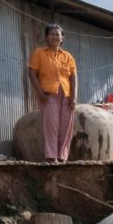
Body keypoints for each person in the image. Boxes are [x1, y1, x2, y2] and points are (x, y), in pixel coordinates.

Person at [27, 23, 78, 162]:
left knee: (66, 126)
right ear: (47, 38)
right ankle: (51, 157)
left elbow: (73, 77)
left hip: (66, 95)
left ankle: (62, 157)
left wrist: (74, 96)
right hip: (49, 94)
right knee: (51, 125)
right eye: (52, 34)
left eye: (58, 34)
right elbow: (32, 74)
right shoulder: (39, 53)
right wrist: (40, 93)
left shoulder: (68, 56)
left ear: (62, 38)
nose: (55, 37)